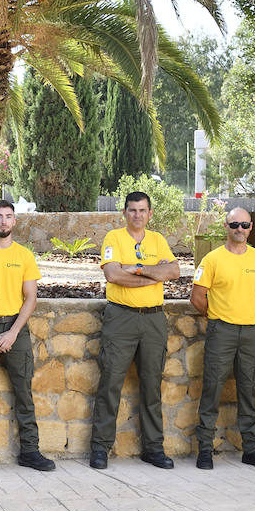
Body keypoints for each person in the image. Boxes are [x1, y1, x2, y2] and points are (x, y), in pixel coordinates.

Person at [90, 191, 180, 470]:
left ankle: (153, 448)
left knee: (152, 385)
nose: (137, 215)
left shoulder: (158, 240)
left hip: (153, 321)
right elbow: (113, 275)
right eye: (132, 210)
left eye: (142, 210)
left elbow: (174, 272)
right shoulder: (114, 238)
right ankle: (100, 448)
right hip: (121, 319)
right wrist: (153, 274)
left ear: (150, 214)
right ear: (124, 213)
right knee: (111, 383)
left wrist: (137, 269)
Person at [190, 208, 255, 471]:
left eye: (245, 225)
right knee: (212, 387)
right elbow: (197, 297)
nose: (240, 229)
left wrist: (245, 314)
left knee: (248, 389)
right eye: (235, 224)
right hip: (221, 331)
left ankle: (251, 449)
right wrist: (220, 316)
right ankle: (205, 449)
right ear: (226, 227)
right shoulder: (212, 259)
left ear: (251, 228)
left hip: (250, 331)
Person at [0, 200, 54, 471]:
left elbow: (31, 298)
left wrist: (11, 333)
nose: (4, 222)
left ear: (15, 222)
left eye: (9, 217)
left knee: (24, 392)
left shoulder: (24, 255)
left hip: (15, 329)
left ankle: (30, 451)